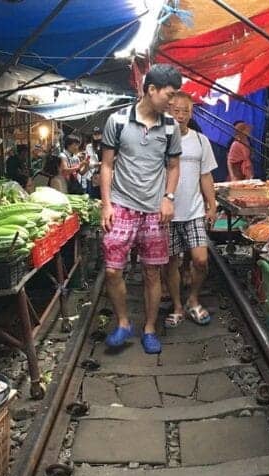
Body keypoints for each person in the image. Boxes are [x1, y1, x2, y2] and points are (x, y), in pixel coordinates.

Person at [100, 63, 182, 354]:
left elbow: (174, 166)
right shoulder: (118, 121)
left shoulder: (171, 127)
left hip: (154, 211)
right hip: (122, 206)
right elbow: (107, 165)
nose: (173, 102)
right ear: (151, 90)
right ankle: (123, 323)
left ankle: (149, 328)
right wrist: (106, 204)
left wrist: (168, 197)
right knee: (112, 271)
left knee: (152, 273)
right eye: (169, 95)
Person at [164, 91, 217, 328]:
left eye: (186, 111)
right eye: (176, 111)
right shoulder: (160, 140)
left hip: (194, 210)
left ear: (191, 113)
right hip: (167, 212)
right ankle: (177, 305)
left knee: (201, 260)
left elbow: (205, 175)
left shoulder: (199, 141)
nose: (181, 116)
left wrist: (212, 205)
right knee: (171, 262)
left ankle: (193, 299)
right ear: (168, 111)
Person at [86, 127, 103, 198]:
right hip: (94, 176)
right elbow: (89, 163)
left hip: (105, 175)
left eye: (99, 134)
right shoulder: (89, 146)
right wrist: (100, 164)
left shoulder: (106, 146)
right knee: (94, 198)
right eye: (95, 134)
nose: (97, 136)